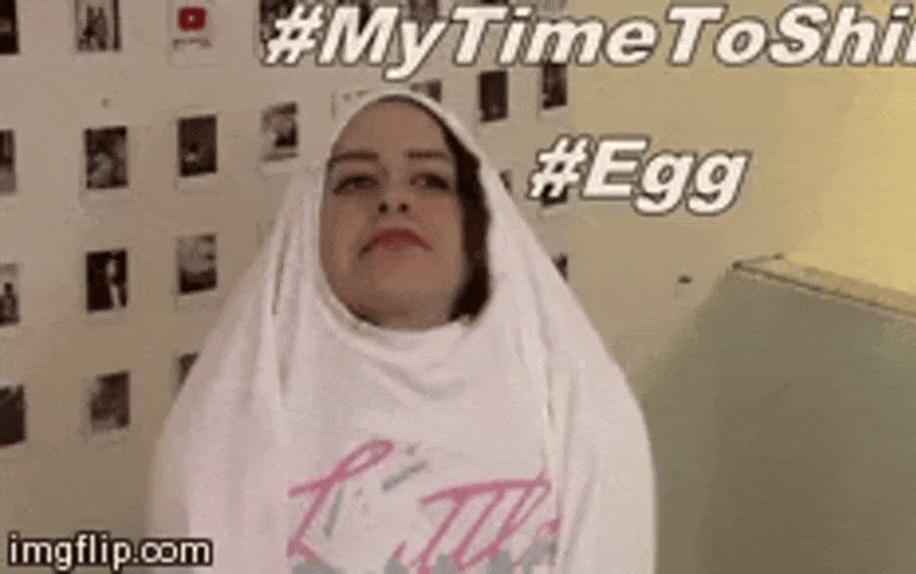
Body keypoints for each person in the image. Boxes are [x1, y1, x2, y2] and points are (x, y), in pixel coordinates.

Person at [147, 89, 655, 574]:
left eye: (430, 179)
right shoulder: (220, 432)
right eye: (356, 181)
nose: (393, 198)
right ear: (307, 226)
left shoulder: (581, 405)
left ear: (480, 223)